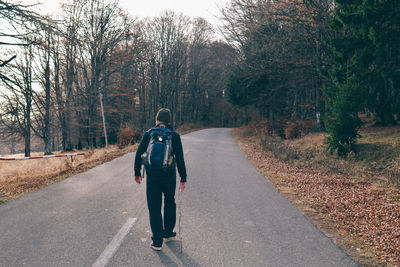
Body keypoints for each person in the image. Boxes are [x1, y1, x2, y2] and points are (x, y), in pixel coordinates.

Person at [134, 108, 187, 251]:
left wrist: (137, 172)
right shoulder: (174, 136)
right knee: (170, 202)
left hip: (152, 176)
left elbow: (139, 153)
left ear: (157, 120)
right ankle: (168, 233)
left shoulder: (149, 134)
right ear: (169, 121)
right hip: (168, 176)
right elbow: (180, 158)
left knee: (154, 207)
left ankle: (157, 242)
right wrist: (183, 178)